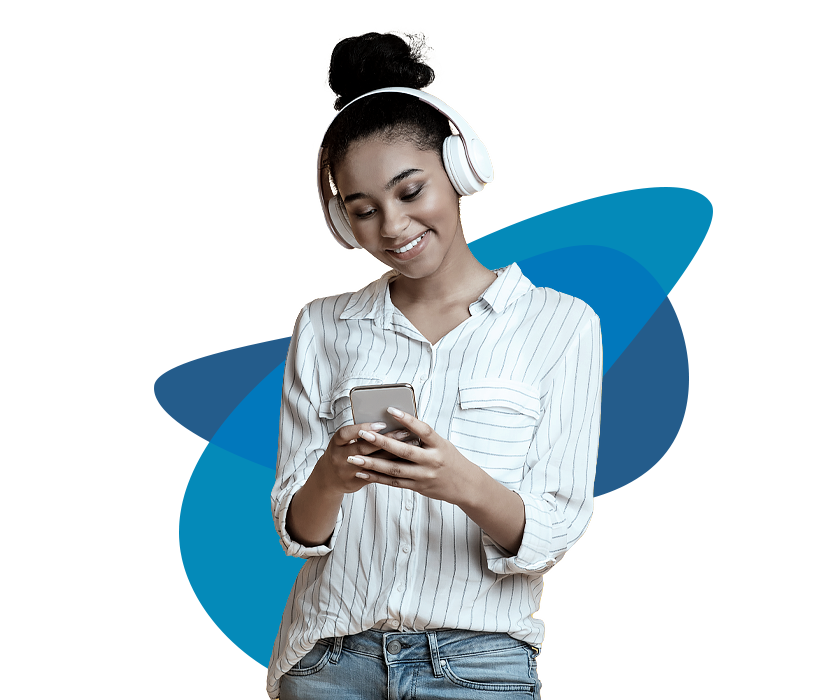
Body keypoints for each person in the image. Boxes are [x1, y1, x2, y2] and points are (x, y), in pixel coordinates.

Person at [266, 30, 602, 700]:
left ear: (461, 170)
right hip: (328, 658)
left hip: (478, 666)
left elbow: (556, 527)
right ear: (340, 218)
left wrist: (462, 483)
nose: (391, 227)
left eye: (410, 191)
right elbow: (296, 530)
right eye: (363, 210)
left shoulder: (562, 325)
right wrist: (331, 477)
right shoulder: (325, 326)